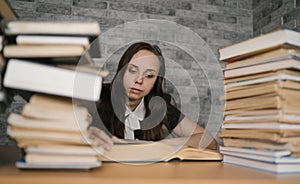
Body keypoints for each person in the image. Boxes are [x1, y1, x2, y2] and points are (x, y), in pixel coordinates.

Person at [88, 42, 217, 151]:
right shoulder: (97, 95)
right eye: (133, 71)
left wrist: (162, 145)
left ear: (156, 80)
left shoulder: (158, 105)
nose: (139, 80)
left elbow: (208, 140)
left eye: (149, 75)